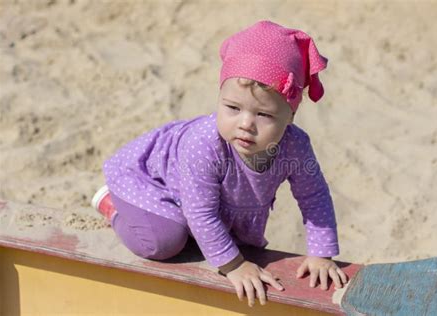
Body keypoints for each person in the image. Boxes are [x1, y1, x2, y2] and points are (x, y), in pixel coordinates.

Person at [91, 20, 348, 307]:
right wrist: (234, 265)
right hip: (150, 181)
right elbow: (201, 212)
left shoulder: (296, 146)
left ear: (291, 115)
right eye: (233, 108)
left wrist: (321, 254)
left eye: (264, 115)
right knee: (164, 242)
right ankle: (111, 205)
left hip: (197, 198)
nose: (246, 124)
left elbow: (314, 196)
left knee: (225, 239)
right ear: (220, 98)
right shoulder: (204, 144)